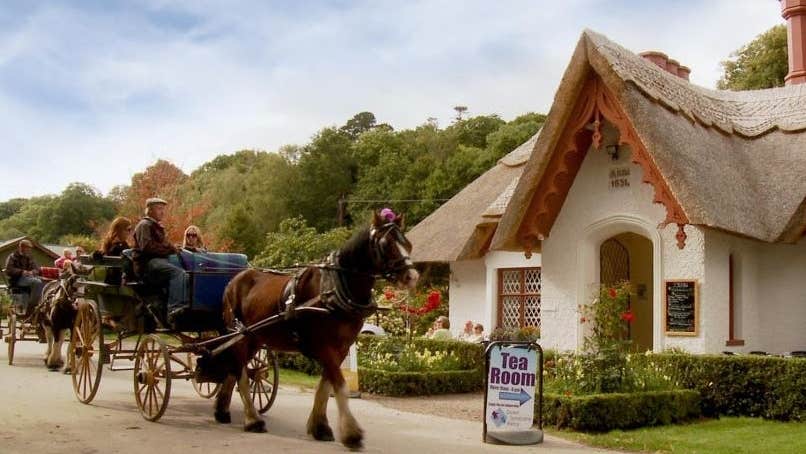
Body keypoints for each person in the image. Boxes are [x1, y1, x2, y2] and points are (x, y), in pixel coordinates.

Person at [133, 197, 188, 326]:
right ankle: (174, 309)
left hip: (158, 262)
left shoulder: (156, 226)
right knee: (178, 273)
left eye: (163, 209)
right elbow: (147, 247)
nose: (162, 212)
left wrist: (173, 248)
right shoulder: (144, 225)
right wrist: (170, 250)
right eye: (159, 209)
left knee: (188, 272)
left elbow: (164, 245)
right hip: (146, 265)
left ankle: (183, 306)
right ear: (149, 210)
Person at [4, 239, 44, 310]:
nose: (29, 250)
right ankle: (32, 305)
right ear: (22, 247)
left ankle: (40, 303)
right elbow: (9, 270)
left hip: (29, 278)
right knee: (37, 282)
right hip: (17, 279)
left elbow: (37, 269)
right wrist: (22, 272)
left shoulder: (29, 257)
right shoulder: (13, 257)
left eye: (30, 248)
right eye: (28, 248)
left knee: (43, 281)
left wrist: (32, 272)